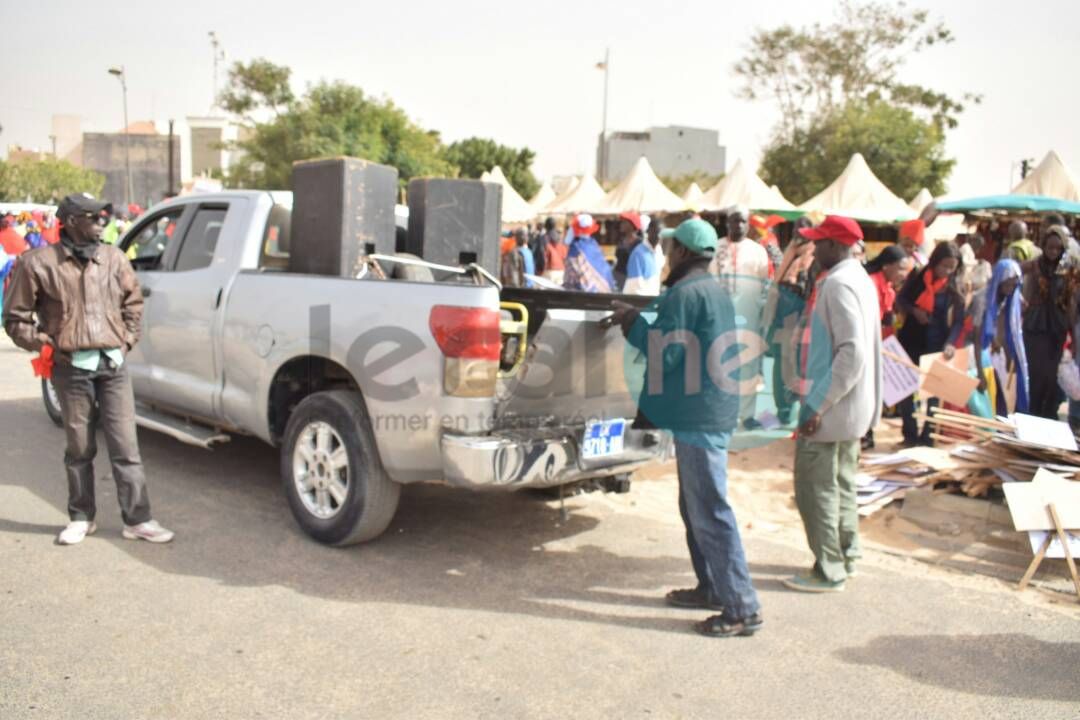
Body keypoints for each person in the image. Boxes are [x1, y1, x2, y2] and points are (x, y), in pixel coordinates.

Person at [608, 218, 763, 637]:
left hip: (699, 416)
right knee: (695, 506)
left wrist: (630, 322)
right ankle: (711, 587)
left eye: (672, 247)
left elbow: (667, 354)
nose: (668, 253)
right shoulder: (709, 289)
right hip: (708, 408)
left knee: (710, 510)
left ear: (682, 253)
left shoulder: (684, 292)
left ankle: (742, 607)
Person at [2, 193, 175, 546]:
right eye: (92, 218)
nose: (100, 224)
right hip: (71, 370)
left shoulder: (113, 258)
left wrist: (126, 340)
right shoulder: (37, 263)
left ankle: (138, 519)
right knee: (79, 448)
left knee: (126, 447)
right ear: (69, 221)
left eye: (102, 218)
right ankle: (81, 516)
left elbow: (133, 302)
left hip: (112, 366)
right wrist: (46, 344)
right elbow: (15, 318)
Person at [784, 216, 881, 593]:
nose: (813, 250)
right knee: (840, 485)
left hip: (831, 409)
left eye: (819, 243)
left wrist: (817, 406)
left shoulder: (839, 284)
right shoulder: (859, 279)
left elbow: (851, 353)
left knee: (816, 489)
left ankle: (829, 571)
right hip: (850, 410)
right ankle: (846, 555)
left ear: (836, 247)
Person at [894, 242, 964, 446]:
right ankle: (910, 434)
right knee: (906, 393)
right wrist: (915, 311)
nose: (947, 271)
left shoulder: (954, 286)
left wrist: (951, 343)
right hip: (912, 341)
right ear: (935, 262)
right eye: (944, 266)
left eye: (952, 267)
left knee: (934, 396)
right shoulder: (917, 277)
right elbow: (902, 299)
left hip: (938, 345)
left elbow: (959, 320)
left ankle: (928, 437)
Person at [714, 206, 769, 429]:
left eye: (744, 222)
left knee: (747, 365)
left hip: (749, 316)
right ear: (727, 223)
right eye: (735, 221)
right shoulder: (717, 248)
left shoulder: (758, 251)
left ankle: (746, 416)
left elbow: (765, 284)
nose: (739, 226)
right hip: (722, 318)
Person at [861, 244, 911, 450]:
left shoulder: (888, 288)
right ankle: (863, 433)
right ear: (886, 266)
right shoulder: (871, 285)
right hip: (868, 347)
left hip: (883, 347)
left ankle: (868, 432)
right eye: (900, 269)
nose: (903, 274)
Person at [1022, 226, 1072, 419]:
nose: (1053, 252)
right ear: (1043, 246)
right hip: (1035, 325)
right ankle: (1032, 412)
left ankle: (1048, 414)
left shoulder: (1068, 270)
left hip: (1057, 327)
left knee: (1052, 376)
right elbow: (1012, 271)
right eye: (1050, 247)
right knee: (1035, 374)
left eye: (1057, 248)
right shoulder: (1033, 265)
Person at [972, 259, 1028, 415]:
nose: (1010, 289)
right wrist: (979, 372)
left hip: (995, 352)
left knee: (1001, 399)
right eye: (1007, 284)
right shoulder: (982, 299)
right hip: (976, 353)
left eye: (1014, 285)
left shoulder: (1010, 298)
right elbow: (977, 337)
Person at [563, 213, 616, 293]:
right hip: (603, 290)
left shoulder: (576, 247)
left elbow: (573, 273)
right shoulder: (593, 244)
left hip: (583, 293)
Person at [622, 213, 660, 295]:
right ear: (649, 231)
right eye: (657, 232)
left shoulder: (658, 251)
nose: (659, 236)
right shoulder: (638, 254)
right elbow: (634, 290)